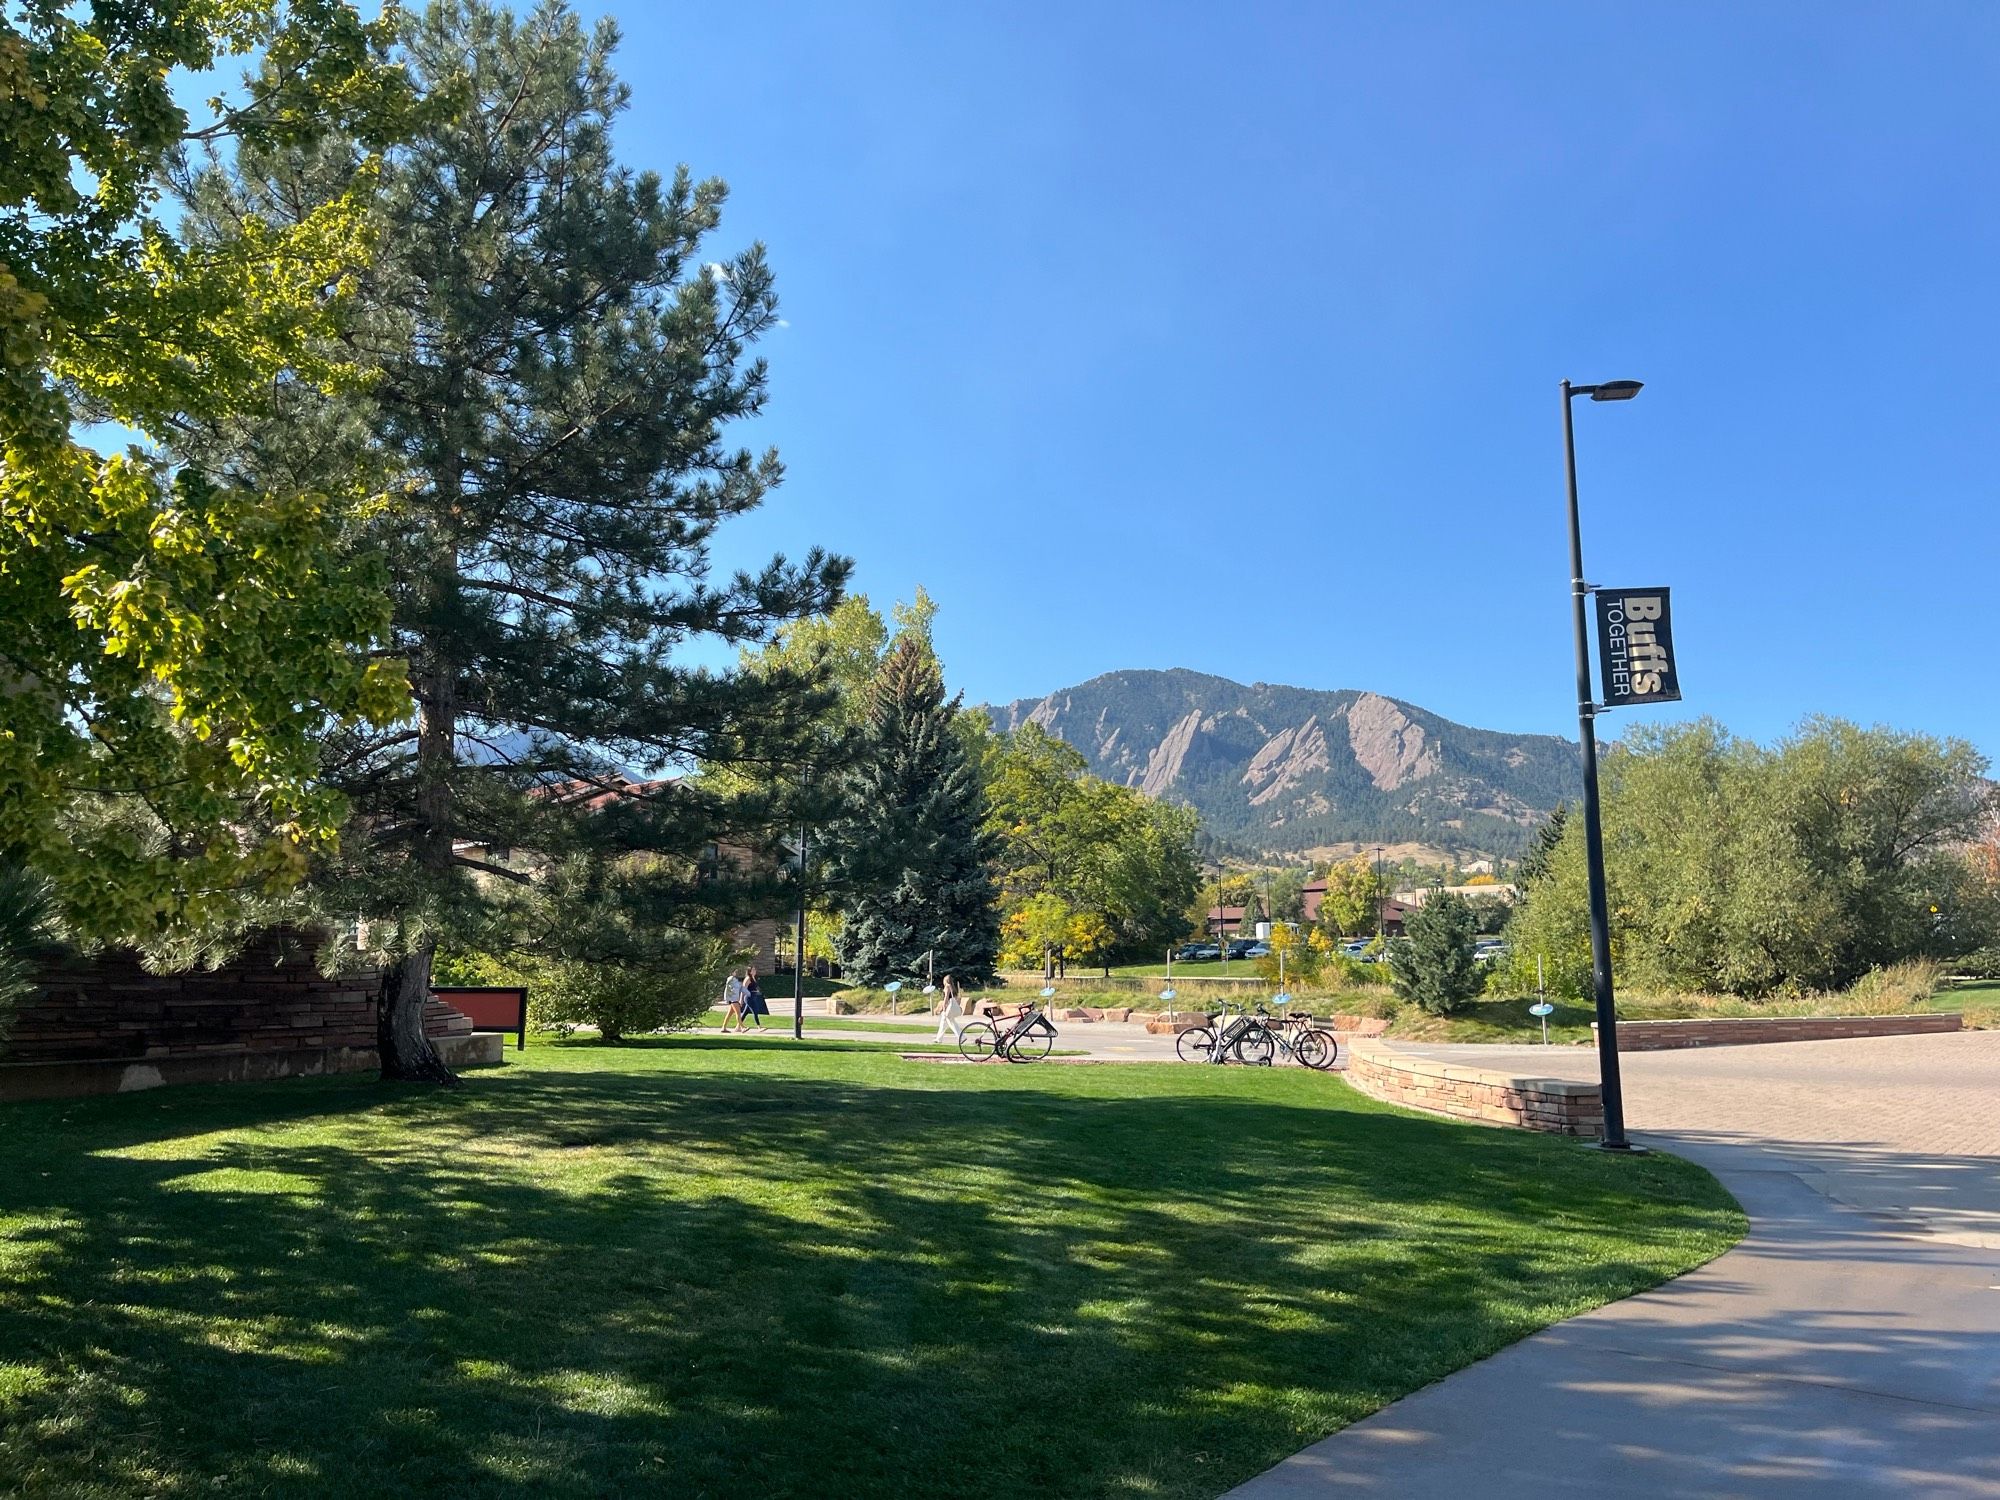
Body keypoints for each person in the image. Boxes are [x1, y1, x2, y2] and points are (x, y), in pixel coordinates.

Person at [935, 973, 966, 1043]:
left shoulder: (947, 986)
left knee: (951, 1023)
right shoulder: (952, 987)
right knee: (943, 1023)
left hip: (948, 1007)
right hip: (950, 1006)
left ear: (945, 980)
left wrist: (943, 1007)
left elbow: (946, 997)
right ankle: (939, 1038)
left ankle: (961, 1037)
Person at [719, 967, 746, 1032]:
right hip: (733, 999)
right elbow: (729, 988)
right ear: (732, 972)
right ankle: (742, 1027)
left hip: (733, 998)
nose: (736, 972)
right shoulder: (731, 979)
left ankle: (723, 1027)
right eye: (734, 971)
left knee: (729, 1014)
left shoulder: (734, 979)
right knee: (738, 1013)